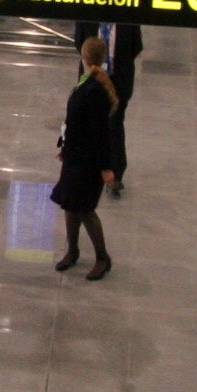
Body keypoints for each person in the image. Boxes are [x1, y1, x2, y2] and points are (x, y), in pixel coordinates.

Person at [53, 35, 117, 280]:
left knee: (86, 210)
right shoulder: (86, 82)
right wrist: (65, 147)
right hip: (75, 157)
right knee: (70, 205)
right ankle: (72, 250)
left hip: (88, 162)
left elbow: (100, 133)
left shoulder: (94, 90)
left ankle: (102, 257)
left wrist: (106, 167)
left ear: (85, 57)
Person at [72, 21, 142, 194]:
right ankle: (89, 169)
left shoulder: (129, 19)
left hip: (119, 80)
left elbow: (136, 46)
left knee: (114, 125)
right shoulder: (87, 15)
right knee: (88, 125)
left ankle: (116, 174)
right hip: (91, 77)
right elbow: (79, 42)